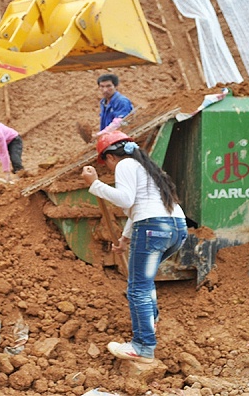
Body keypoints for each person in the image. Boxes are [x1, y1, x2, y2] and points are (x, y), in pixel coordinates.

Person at [80, 131, 187, 364]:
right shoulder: (146, 168)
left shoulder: (125, 165)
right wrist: (125, 239)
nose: (108, 168)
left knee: (137, 287)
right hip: (176, 228)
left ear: (110, 157)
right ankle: (152, 320)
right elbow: (141, 206)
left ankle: (143, 346)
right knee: (144, 282)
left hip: (152, 228)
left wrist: (95, 184)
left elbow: (126, 200)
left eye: (106, 164)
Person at [95, 73, 133, 139]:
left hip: (120, 139)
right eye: (102, 86)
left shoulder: (122, 101)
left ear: (116, 86)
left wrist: (101, 134)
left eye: (108, 86)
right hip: (109, 138)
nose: (105, 90)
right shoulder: (103, 102)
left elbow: (119, 123)